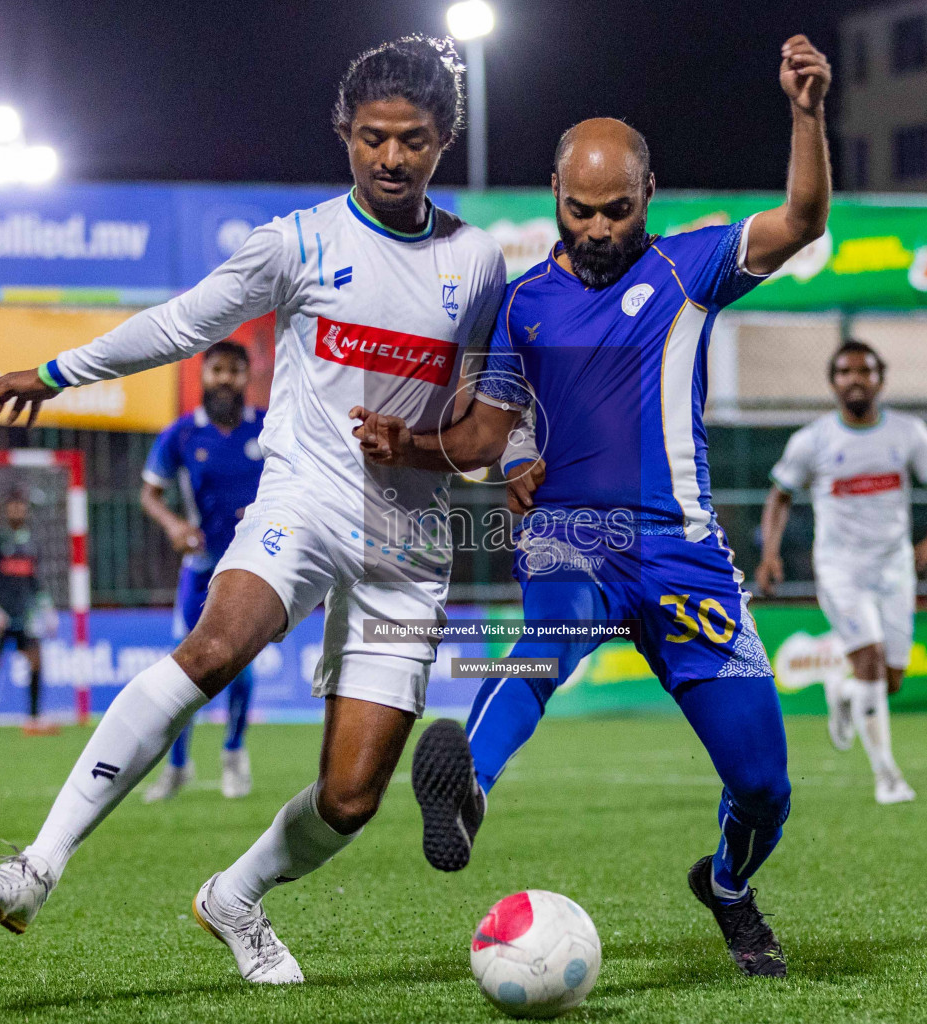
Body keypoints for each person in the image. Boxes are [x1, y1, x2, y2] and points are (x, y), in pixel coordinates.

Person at [0, 35, 507, 985]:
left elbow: (477, 420)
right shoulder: (298, 243)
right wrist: (55, 374)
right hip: (306, 499)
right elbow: (180, 322)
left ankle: (235, 896)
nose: (391, 157)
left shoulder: (480, 263)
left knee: (353, 797)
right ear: (345, 133)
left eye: (412, 140)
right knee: (213, 646)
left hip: (411, 544)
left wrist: (455, 449)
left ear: (443, 139)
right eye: (373, 137)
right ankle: (36, 866)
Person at [353, 35, 832, 979]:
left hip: (685, 554)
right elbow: (488, 437)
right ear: (556, 198)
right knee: (545, 643)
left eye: (618, 209)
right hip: (574, 537)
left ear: (647, 198)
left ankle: (729, 886)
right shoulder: (521, 306)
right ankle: (468, 792)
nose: (600, 226)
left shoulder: (694, 269)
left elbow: (805, 219)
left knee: (765, 786)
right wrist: (424, 447)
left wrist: (806, 115)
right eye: (581, 209)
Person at [755, 339, 927, 805]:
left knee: (889, 680)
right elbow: (780, 495)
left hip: (894, 569)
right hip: (839, 569)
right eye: (845, 372)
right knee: (868, 658)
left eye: (864, 371)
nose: (855, 379)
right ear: (832, 383)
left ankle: (844, 694)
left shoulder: (909, 433)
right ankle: (887, 776)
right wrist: (770, 553)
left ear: (880, 380)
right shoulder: (812, 441)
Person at [139, 340, 265, 801]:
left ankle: (234, 755)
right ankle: (177, 766)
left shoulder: (269, 428)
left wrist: (267, 508)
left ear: (247, 377)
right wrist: (174, 524)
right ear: (204, 375)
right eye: (217, 370)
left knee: (242, 670)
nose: (225, 379)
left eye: (235, 370)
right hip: (201, 567)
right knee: (184, 669)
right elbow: (149, 493)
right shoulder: (182, 435)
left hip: (253, 568)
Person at [0, 489, 58, 737]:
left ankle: (33, 715)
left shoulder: (31, 543)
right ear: (5, 510)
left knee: (35, 659)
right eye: (13, 506)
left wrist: (47, 608)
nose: (18, 511)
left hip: (25, 614)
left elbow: (35, 581)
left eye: (21, 506)